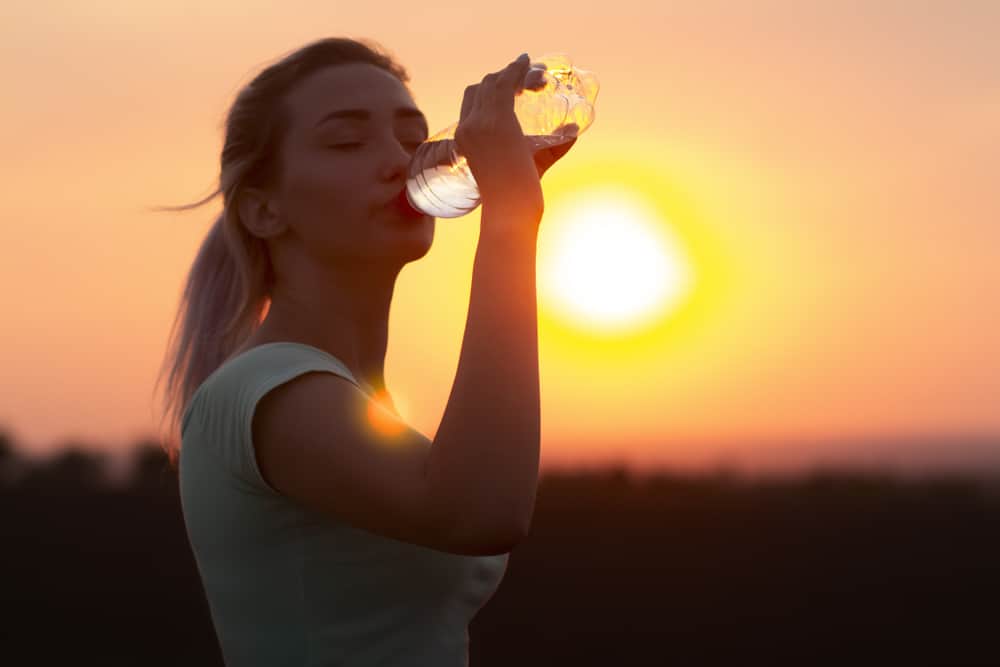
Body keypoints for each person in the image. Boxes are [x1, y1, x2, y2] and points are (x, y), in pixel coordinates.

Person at [154, 37, 576, 666]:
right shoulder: (266, 389)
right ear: (264, 210)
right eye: (347, 142)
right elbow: (478, 510)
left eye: (412, 138)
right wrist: (512, 214)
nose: (397, 161)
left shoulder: (347, 403)